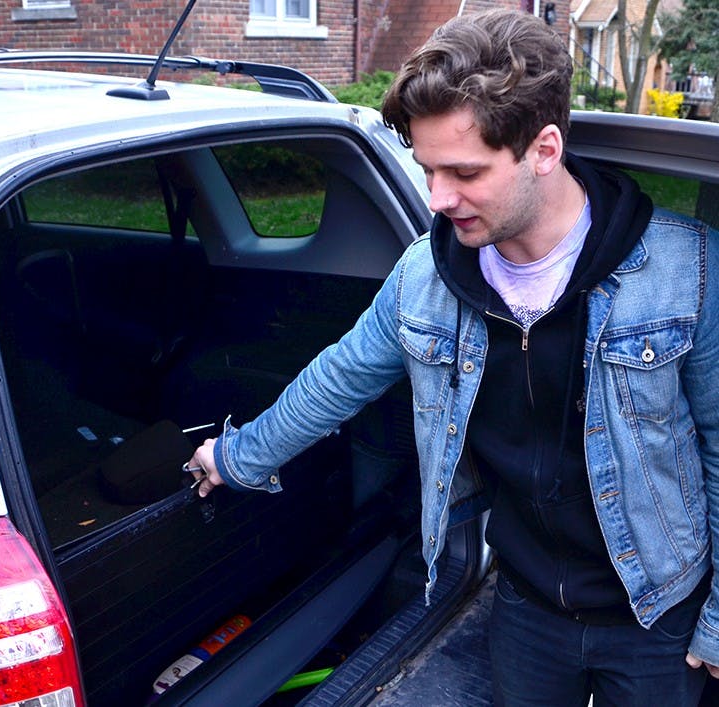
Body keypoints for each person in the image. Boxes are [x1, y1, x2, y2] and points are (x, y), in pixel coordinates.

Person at [186, 8, 719, 706]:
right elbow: (338, 378)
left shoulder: (688, 271)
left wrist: (714, 622)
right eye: (428, 168)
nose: (438, 199)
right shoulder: (426, 278)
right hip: (526, 605)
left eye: (464, 171)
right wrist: (238, 457)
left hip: (657, 610)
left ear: (545, 148)